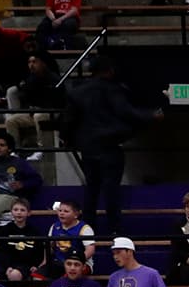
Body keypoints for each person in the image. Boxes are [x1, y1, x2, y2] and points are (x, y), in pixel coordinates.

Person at [64, 57, 156, 236]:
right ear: (109, 71)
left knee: (91, 188)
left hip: (89, 148)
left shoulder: (77, 92)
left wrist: (67, 139)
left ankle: (88, 228)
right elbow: (127, 112)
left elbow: (68, 120)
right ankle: (114, 228)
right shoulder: (114, 90)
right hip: (110, 145)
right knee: (111, 189)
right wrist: (151, 116)